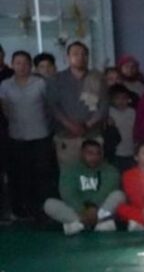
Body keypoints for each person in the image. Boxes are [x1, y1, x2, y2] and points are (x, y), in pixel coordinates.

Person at [0, 50, 56, 219]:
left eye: (25, 63)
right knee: (21, 176)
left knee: (42, 175)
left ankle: (44, 210)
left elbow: (49, 107)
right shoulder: (5, 85)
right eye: (18, 63)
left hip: (41, 136)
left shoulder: (40, 83)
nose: (22, 66)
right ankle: (24, 210)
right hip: (17, 137)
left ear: (31, 65)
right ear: (12, 65)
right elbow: (5, 110)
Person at [44, 138, 124, 235]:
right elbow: (68, 194)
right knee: (49, 204)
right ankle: (88, 223)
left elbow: (106, 191)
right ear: (81, 153)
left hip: (100, 210)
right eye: (90, 153)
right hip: (78, 210)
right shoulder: (69, 169)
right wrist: (83, 210)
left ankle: (81, 225)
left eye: (98, 153)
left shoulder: (110, 170)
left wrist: (93, 207)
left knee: (119, 195)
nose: (94, 157)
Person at [47, 41, 106, 168]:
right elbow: (53, 106)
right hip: (66, 136)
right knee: (69, 172)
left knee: (93, 172)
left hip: (92, 136)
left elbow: (103, 106)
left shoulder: (97, 78)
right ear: (68, 57)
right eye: (75, 54)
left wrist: (87, 125)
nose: (80, 57)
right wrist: (69, 125)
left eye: (84, 54)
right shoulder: (56, 79)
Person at [107, 84, 138, 170]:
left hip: (131, 152)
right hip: (115, 153)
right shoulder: (109, 112)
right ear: (112, 99)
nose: (121, 101)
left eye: (124, 98)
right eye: (117, 98)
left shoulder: (132, 112)